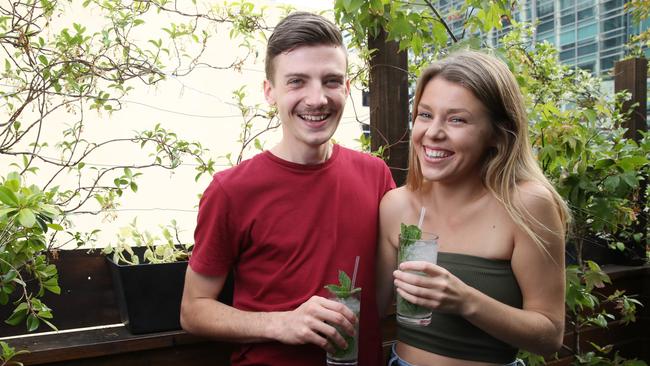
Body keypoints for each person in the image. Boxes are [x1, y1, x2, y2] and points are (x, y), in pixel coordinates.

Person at [180, 11, 395, 366]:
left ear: (346, 88)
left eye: (330, 81)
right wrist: (282, 322)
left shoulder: (375, 175)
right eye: (297, 81)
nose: (317, 99)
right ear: (270, 92)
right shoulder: (231, 190)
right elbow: (193, 310)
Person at [377, 50, 570, 366]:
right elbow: (367, 312)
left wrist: (464, 300)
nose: (433, 132)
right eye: (425, 115)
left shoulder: (527, 205)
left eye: (457, 119)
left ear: (498, 133)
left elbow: (550, 337)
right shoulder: (395, 206)